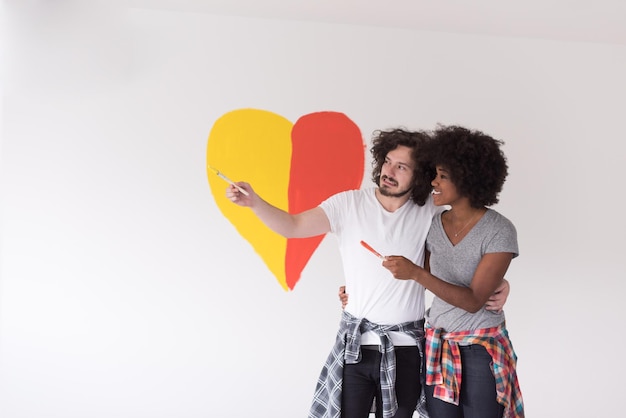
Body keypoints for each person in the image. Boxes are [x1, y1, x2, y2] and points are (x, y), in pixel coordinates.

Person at [226, 128, 508, 418]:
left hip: (406, 349)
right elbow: (293, 226)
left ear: (420, 176)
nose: (389, 171)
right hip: (355, 347)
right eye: (387, 161)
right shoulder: (347, 204)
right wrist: (254, 203)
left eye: (402, 167)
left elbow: (458, 260)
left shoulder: (430, 214)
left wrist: (501, 283)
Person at [382, 125, 524, 418]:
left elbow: (473, 301)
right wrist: (352, 292)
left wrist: (416, 273)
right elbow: (410, 277)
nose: (434, 181)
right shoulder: (433, 225)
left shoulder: (499, 230)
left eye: (443, 176)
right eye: (434, 173)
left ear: (467, 179)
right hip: (438, 344)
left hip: (481, 350)